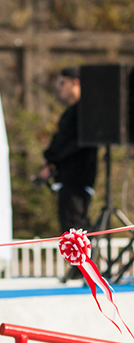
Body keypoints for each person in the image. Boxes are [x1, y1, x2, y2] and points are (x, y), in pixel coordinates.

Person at [38, 66, 97, 233]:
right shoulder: (72, 111)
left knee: (75, 227)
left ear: (75, 83)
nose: (59, 88)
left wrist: (51, 157)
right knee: (71, 225)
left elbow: (72, 143)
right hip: (68, 178)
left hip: (77, 178)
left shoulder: (84, 112)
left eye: (62, 83)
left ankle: (84, 252)